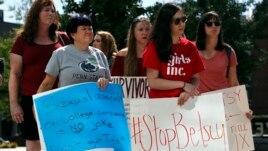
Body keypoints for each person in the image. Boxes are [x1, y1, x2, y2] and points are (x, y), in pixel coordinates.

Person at [8, 0, 70, 150]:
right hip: (31, 100)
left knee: (59, 144)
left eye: (53, 10)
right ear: (36, 14)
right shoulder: (22, 39)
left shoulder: (64, 38)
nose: (50, 13)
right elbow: (15, 74)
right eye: (46, 10)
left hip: (59, 98)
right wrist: (14, 104)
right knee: (34, 144)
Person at [143, 3, 205, 106]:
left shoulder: (190, 47)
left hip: (186, 104)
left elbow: (196, 78)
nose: (182, 24)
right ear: (166, 24)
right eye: (177, 21)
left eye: (183, 19)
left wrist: (188, 91)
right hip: (161, 106)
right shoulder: (154, 47)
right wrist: (183, 84)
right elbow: (153, 81)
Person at [195, 11, 253, 119]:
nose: (214, 26)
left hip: (224, 107)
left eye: (217, 23)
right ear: (203, 27)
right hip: (199, 107)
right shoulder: (191, 50)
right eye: (209, 23)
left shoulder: (229, 51)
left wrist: (244, 108)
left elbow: (233, 83)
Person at [37, 14, 111, 94]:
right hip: (69, 105)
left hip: (96, 105)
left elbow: (110, 84)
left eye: (90, 28)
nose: (88, 31)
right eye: (84, 29)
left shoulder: (100, 55)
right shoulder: (60, 54)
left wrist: (105, 82)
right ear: (73, 35)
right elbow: (47, 84)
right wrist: (35, 105)